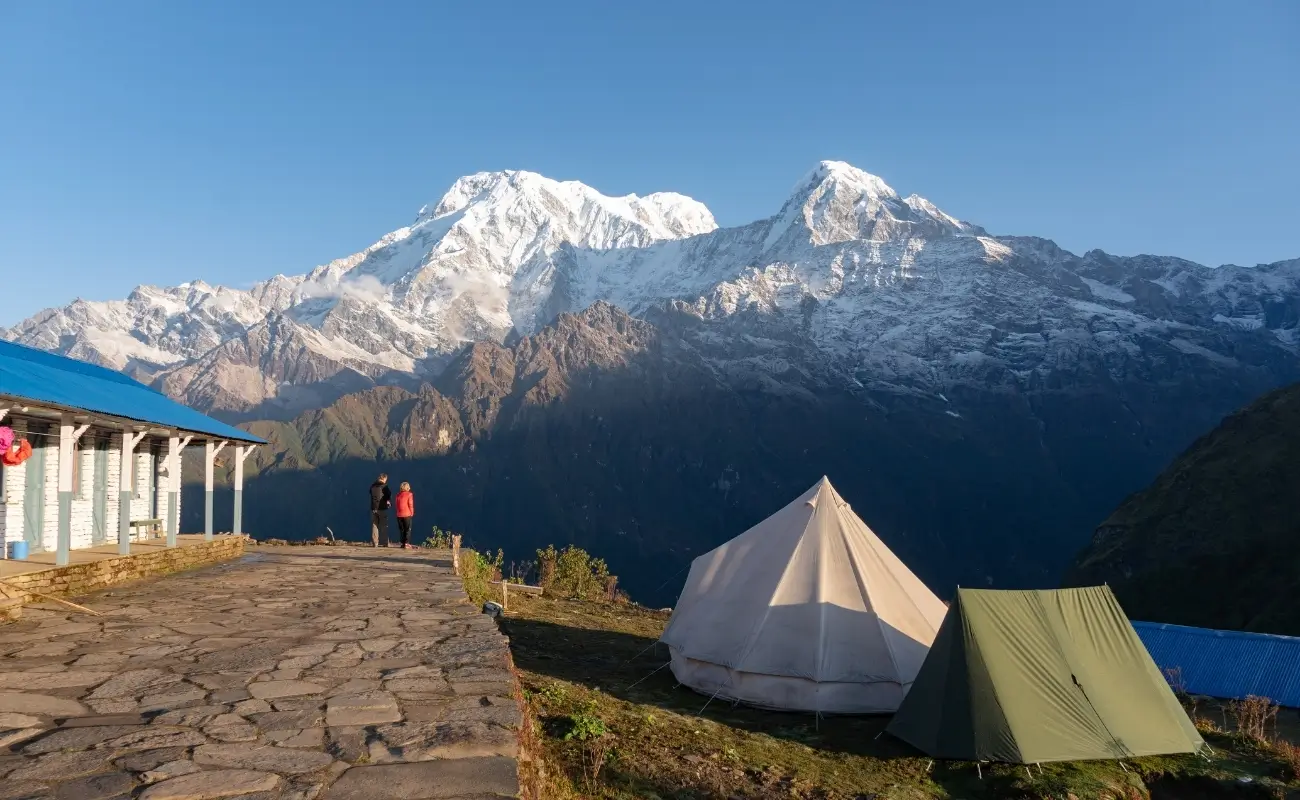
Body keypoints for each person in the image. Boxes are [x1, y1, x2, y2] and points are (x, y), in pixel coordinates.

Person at [369, 473, 392, 547]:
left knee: (374, 525)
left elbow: (370, 493)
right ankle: (385, 542)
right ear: (384, 479)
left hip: (373, 508)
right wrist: (387, 501)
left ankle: (375, 542)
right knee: (384, 525)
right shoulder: (384, 486)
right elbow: (388, 495)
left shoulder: (372, 486)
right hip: (382, 508)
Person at [395, 481, 415, 550]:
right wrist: (412, 512)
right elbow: (410, 504)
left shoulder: (398, 495)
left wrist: (398, 512)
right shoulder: (409, 494)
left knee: (402, 529)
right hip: (407, 514)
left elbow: (397, 505)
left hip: (399, 515)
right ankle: (407, 543)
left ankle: (403, 543)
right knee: (408, 529)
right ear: (407, 487)